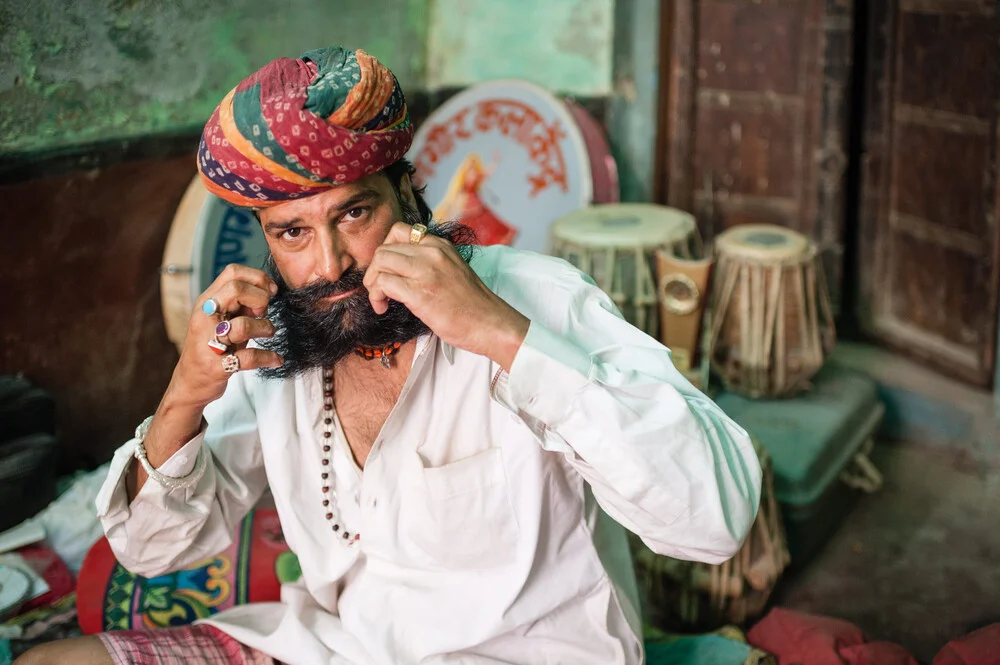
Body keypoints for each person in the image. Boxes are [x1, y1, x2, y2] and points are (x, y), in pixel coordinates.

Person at [17, 46, 761, 665]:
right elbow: (156, 548)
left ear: (408, 194)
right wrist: (185, 394)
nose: (330, 262)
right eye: (293, 233)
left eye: (354, 213)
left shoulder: (538, 296)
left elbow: (715, 520)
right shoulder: (285, 339)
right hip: (336, 647)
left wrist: (499, 334)